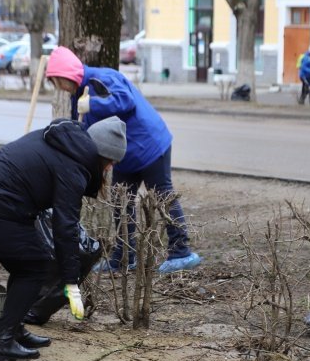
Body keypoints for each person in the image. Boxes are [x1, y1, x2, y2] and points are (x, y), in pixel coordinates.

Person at [0, 117, 128, 361]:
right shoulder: (75, 166)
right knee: (34, 268)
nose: (109, 168)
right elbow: (65, 226)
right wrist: (71, 283)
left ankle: (12, 329)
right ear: (103, 156)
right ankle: (2, 342)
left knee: (25, 263)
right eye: (110, 162)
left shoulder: (64, 142)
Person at [45, 46, 201, 274]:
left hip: (149, 146)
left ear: (68, 74)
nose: (60, 88)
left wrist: (93, 105)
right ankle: (124, 256)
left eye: (59, 82)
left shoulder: (102, 78)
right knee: (121, 203)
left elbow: (125, 100)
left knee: (163, 196)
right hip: (124, 155)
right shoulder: (80, 95)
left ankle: (181, 252)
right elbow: (82, 129)